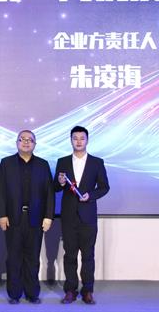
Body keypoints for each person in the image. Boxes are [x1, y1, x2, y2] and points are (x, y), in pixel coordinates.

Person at [0, 130, 55, 304]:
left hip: (36, 219)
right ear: (17, 143)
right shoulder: (6, 163)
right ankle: (14, 294)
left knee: (32, 258)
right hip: (13, 218)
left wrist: (48, 216)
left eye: (30, 140)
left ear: (35, 144)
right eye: (22, 139)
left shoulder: (43, 164)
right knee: (14, 258)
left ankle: (32, 293)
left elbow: (49, 193)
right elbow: (0, 191)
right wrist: (2, 215)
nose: (26, 142)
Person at [54, 126, 109, 304]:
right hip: (69, 217)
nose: (78, 141)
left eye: (82, 138)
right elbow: (55, 187)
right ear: (70, 140)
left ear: (87, 140)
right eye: (75, 138)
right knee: (69, 255)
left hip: (88, 217)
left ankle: (87, 290)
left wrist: (90, 195)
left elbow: (104, 187)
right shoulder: (62, 161)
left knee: (88, 256)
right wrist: (60, 182)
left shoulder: (97, 162)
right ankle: (70, 290)